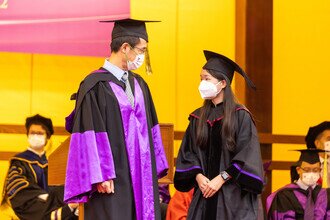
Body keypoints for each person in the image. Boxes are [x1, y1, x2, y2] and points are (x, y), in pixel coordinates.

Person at [64, 18, 169, 220]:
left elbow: (151, 130)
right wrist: (100, 175)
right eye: (141, 50)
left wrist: (152, 169)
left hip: (140, 178)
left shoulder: (139, 84)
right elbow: (89, 134)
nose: (143, 56)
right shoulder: (94, 85)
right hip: (111, 181)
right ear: (125, 47)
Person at [174, 50, 264, 219]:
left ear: (223, 83)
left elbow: (247, 155)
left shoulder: (240, 116)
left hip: (232, 198)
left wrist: (221, 178)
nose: (202, 83)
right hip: (204, 193)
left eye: (207, 79)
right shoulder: (197, 117)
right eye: (201, 78)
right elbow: (188, 153)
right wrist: (199, 176)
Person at [2, 114, 78, 220]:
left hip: (53, 204)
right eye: (32, 133)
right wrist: (47, 197)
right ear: (27, 135)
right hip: (32, 205)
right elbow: (18, 189)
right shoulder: (19, 162)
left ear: (47, 136)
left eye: (40, 133)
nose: (35, 136)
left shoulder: (52, 162)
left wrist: (55, 197)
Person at [267, 149, 330, 219]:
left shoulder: (326, 195)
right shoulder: (285, 195)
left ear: (320, 171)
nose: (311, 173)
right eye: (307, 170)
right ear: (298, 170)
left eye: (315, 170)